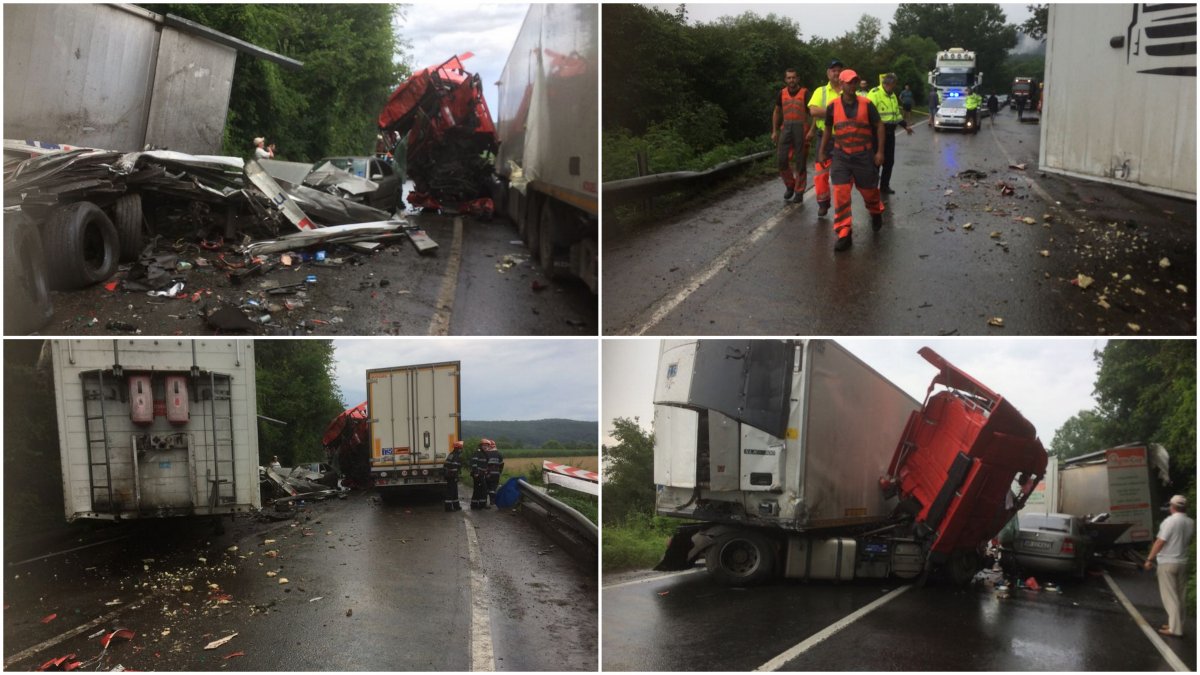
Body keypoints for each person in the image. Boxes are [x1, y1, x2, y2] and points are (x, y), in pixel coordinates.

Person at [817, 68, 885, 252]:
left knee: (869, 191)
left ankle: (875, 211)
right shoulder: (832, 106)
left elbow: (879, 125)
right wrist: (822, 151)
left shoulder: (867, 104)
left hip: (864, 156)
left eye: (855, 81)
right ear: (841, 84)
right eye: (849, 82)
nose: (852, 85)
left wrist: (880, 152)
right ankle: (844, 232)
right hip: (841, 156)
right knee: (840, 192)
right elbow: (827, 129)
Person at [1143, 495, 1195, 637]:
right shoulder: (1191, 522)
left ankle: (1175, 629)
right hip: (1183, 562)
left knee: (1170, 597)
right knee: (1180, 595)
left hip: (1167, 563)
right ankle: (1177, 624)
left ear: (1172, 506)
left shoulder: (1169, 522)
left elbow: (1160, 542)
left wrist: (1149, 559)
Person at [806, 59, 845, 218]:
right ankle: (823, 203)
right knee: (821, 173)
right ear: (828, 73)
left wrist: (827, 112)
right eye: (833, 70)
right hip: (825, 138)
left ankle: (841, 207)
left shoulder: (848, 89)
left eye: (838, 70)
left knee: (841, 174)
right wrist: (837, 112)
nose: (836, 73)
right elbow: (813, 111)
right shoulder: (820, 91)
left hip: (844, 137)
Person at [867, 74, 913, 196]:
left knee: (889, 161)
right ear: (887, 84)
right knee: (876, 160)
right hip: (877, 132)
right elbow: (867, 113)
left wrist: (905, 126)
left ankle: (884, 186)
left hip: (890, 133)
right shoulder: (874, 93)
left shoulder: (892, 95)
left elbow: (896, 114)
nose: (894, 87)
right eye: (893, 85)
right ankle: (872, 187)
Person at [772, 68, 810, 203]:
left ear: (797, 79)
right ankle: (790, 185)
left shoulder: (805, 93)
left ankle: (799, 191)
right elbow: (777, 112)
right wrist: (774, 131)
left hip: (801, 129)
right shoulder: (781, 93)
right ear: (785, 80)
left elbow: (813, 112)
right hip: (786, 127)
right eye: (789, 78)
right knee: (782, 159)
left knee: (800, 161)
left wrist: (811, 130)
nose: (791, 80)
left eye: (793, 77)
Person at [481, 438, 504, 506]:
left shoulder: (485, 453)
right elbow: (501, 464)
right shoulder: (499, 454)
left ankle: (484, 502)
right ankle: (492, 501)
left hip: (487, 473)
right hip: (496, 474)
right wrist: (499, 472)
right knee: (493, 488)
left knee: (486, 487)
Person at [443, 441, 464, 512]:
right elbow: (454, 467)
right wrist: (455, 476)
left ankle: (456, 505)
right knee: (451, 491)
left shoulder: (451, 454)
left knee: (454, 491)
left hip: (449, 475)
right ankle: (448, 507)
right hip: (452, 476)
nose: (462, 449)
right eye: (461, 448)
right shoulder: (456, 456)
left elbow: (446, 465)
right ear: (458, 448)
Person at [469, 443, 489, 510]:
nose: (486, 447)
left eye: (487, 446)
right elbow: (474, 463)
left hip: (481, 474)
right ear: (481, 446)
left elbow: (483, 464)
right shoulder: (478, 452)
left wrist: (485, 471)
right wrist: (476, 472)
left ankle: (479, 505)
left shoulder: (483, 453)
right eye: (484, 445)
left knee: (480, 489)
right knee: (480, 489)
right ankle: (476, 505)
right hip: (477, 475)